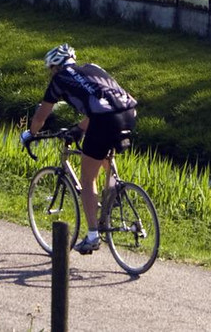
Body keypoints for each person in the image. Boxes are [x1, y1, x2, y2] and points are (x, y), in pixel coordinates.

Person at [20, 44, 137, 254]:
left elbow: (40, 117)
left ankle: (92, 236)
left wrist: (31, 134)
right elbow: (103, 105)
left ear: (55, 66)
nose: (51, 73)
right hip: (129, 114)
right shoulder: (92, 67)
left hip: (104, 120)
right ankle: (112, 196)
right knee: (103, 156)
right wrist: (78, 129)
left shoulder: (59, 79)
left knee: (87, 179)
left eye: (50, 69)